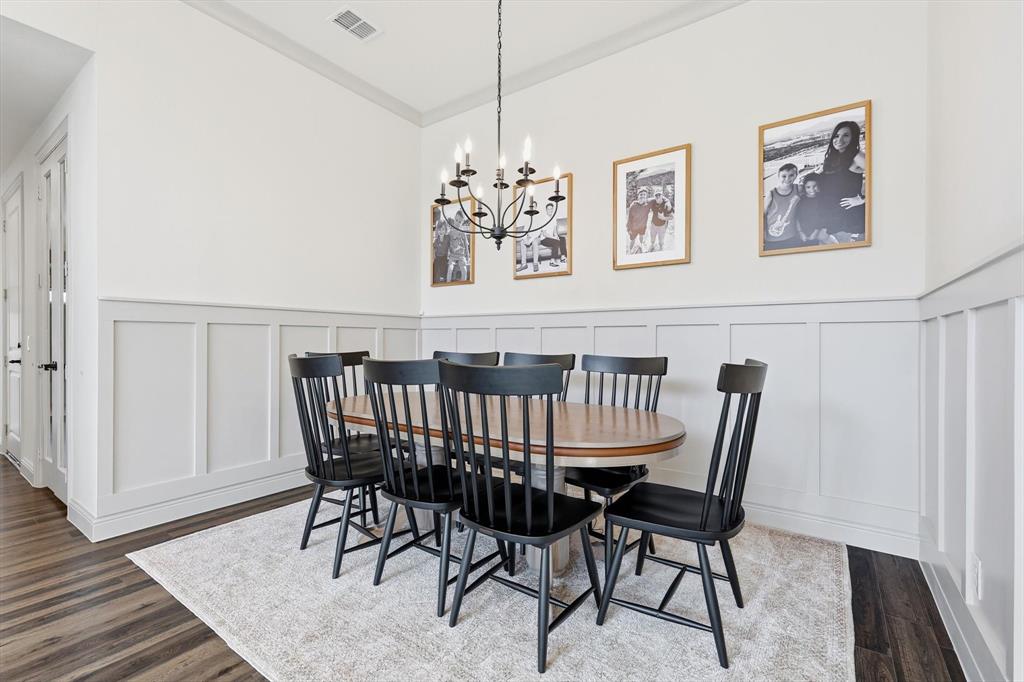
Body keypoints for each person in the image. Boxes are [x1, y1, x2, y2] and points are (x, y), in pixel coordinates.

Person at [816, 120, 866, 242]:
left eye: (846, 135)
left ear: (853, 137)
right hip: (833, 217)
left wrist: (863, 199)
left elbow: (882, 177)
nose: (839, 140)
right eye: (837, 136)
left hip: (852, 219)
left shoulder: (857, 156)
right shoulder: (832, 157)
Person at [763, 163, 802, 249]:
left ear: (796, 175)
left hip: (792, 236)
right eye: (784, 176)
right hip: (772, 239)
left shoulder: (798, 189)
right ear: (778, 176)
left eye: (791, 175)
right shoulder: (771, 194)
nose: (787, 179)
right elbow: (762, 215)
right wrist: (762, 236)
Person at [794, 172, 828, 244]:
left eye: (815, 186)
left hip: (818, 231)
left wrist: (815, 233)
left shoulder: (822, 199)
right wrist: (800, 232)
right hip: (803, 233)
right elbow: (797, 217)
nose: (812, 190)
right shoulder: (801, 200)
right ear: (804, 187)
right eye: (808, 187)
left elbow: (822, 218)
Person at [538, 202, 567, 268]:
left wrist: (556, 236)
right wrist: (554, 238)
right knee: (556, 242)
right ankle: (552, 261)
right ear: (546, 210)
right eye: (548, 209)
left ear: (553, 209)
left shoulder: (553, 218)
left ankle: (563, 257)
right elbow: (544, 234)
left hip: (551, 237)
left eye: (551, 209)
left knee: (562, 238)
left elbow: (554, 230)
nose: (550, 210)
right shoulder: (544, 219)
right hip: (544, 239)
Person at [626, 187, 653, 254]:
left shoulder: (648, 204)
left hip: (642, 227)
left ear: (646, 196)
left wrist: (667, 201)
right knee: (632, 240)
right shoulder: (633, 205)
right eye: (641, 194)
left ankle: (640, 247)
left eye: (644, 194)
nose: (642, 196)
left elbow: (657, 198)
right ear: (638, 196)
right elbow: (629, 218)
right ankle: (630, 251)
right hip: (633, 228)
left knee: (641, 237)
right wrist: (628, 229)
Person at [445, 212, 470, 282]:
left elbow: (466, 246)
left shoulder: (463, 233)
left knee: (464, 269)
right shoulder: (450, 232)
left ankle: (463, 284)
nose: (457, 222)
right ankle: (448, 283)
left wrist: (467, 257)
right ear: (454, 219)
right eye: (456, 220)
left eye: (460, 221)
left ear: (462, 222)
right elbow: (447, 244)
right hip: (452, 255)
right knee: (450, 269)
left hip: (461, 256)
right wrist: (447, 255)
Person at [432, 215, 449, 282]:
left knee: (445, 266)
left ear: (445, 230)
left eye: (443, 229)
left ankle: (443, 278)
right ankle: (436, 279)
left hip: (444, 257)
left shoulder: (447, 238)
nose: (441, 231)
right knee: (435, 266)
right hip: (438, 257)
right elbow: (433, 249)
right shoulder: (436, 240)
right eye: (439, 229)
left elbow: (451, 245)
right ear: (437, 230)